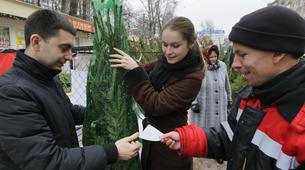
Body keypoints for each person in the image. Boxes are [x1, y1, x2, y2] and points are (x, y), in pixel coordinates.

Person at [160, 6, 305, 170]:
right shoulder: (251, 99)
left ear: (278, 53)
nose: (234, 64)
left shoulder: (300, 125)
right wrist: (187, 139)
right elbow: (232, 138)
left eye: (242, 55)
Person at [0, 9, 141, 170]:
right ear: (36, 42)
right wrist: (111, 152)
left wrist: (107, 114)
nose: (69, 56)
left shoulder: (47, 77)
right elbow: (46, 162)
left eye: (71, 49)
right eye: (64, 48)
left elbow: (66, 112)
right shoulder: (10, 92)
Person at [109, 17, 204, 170]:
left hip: (172, 145)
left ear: (190, 44)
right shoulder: (163, 62)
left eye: (175, 46)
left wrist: (135, 71)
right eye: (164, 44)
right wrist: (131, 67)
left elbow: (155, 104)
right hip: (151, 140)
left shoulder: (193, 77)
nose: (168, 51)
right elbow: (143, 71)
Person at [189, 44, 232, 129]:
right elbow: (192, 86)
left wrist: (229, 99)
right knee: (203, 132)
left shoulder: (222, 66)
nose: (213, 59)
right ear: (206, 56)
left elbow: (226, 84)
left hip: (221, 106)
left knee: (220, 131)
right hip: (204, 106)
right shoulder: (199, 67)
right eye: (211, 57)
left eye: (215, 56)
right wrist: (194, 102)